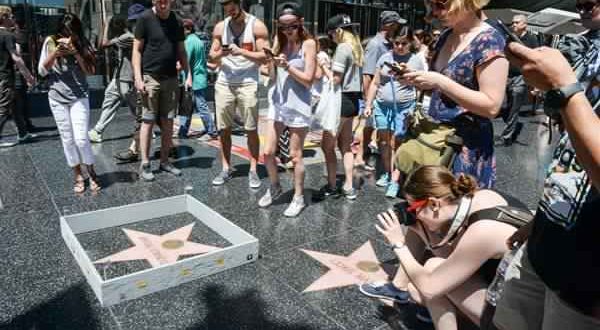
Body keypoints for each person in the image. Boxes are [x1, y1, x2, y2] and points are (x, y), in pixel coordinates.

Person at [492, 12, 600, 330]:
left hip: (586, 284)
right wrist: (541, 218)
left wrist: (563, 88)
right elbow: (571, 157)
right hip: (545, 243)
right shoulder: (592, 44)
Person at [360, 165, 526, 330]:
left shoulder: (483, 231)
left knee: (429, 275)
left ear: (434, 204)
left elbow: (430, 289)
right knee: (424, 278)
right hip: (510, 297)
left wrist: (398, 244)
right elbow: (452, 259)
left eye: (413, 208)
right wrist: (422, 232)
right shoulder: (478, 198)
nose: (413, 214)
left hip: (516, 321)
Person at [404, 0, 509, 189]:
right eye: (431, 6)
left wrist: (440, 81)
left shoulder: (489, 40)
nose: (434, 13)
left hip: (463, 148)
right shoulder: (446, 35)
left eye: (439, 5)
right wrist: (417, 79)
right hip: (435, 140)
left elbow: (492, 106)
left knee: (455, 211)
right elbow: (441, 90)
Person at [258, 2, 316, 217]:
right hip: (278, 102)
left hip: (298, 105)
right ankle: (275, 186)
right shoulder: (279, 41)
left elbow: (309, 80)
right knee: (268, 152)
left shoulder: (308, 44)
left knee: (295, 155)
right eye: (282, 27)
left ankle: (298, 197)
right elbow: (267, 69)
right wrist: (269, 63)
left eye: (291, 26)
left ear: (300, 22)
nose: (287, 30)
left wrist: (288, 66)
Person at [208, 0, 269, 188]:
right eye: (225, 4)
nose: (229, 8)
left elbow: (265, 55)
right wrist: (223, 54)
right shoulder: (220, 27)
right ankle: (226, 168)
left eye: (232, 3)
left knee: (250, 128)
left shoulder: (256, 25)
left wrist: (241, 51)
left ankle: (253, 170)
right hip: (224, 82)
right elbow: (212, 56)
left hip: (248, 83)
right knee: (223, 128)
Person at [38, 13, 100, 193]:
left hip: (79, 95)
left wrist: (76, 53)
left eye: (71, 31)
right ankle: (78, 174)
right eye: (64, 31)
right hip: (57, 97)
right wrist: (55, 53)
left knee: (81, 139)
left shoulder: (82, 42)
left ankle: (91, 171)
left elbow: (90, 71)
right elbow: (42, 71)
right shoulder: (50, 42)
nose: (67, 35)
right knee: (67, 139)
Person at [364, 29, 425, 198]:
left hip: (404, 107)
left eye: (404, 43)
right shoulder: (384, 58)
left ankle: (395, 181)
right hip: (382, 106)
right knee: (384, 142)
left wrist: (407, 73)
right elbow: (375, 83)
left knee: (398, 143)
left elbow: (422, 87)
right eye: (396, 43)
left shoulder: (415, 61)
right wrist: (368, 104)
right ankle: (387, 173)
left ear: (410, 43)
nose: (399, 46)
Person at [133, 0, 188, 181]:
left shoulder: (177, 21)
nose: (163, 3)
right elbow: (137, 50)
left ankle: (165, 161)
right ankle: (145, 163)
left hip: (172, 79)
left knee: (168, 122)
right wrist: (138, 78)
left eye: (166, 0)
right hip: (151, 78)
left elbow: (181, 50)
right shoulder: (145, 18)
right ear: (153, 1)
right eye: (159, 0)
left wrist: (188, 75)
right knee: (147, 121)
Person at [313, 14, 363, 201]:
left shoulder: (343, 47)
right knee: (345, 146)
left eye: (332, 34)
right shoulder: (356, 47)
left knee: (327, 146)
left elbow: (335, 79)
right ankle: (349, 186)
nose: (331, 38)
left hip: (340, 101)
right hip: (352, 101)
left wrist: (324, 65)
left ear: (338, 31)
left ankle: (333, 185)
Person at [356, 11, 406, 171]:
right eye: (397, 24)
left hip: (385, 94)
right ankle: (359, 156)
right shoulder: (375, 44)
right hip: (374, 94)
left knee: (375, 127)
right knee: (368, 125)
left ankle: (365, 152)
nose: (399, 27)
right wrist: (368, 100)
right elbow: (367, 74)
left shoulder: (388, 44)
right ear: (389, 25)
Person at [88, 13, 139, 144]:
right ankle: (97, 131)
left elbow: (103, 44)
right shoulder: (124, 37)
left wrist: (105, 26)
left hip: (126, 78)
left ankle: (146, 130)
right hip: (120, 77)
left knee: (137, 107)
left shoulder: (126, 37)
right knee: (110, 101)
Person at [111, 4, 147, 164]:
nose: (134, 25)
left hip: (153, 80)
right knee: (143, 115)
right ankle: (134, 149)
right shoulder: (135, 37)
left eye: (137, 21)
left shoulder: (139, 36)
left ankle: (135, 150)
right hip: (142, 81)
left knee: (156, 116)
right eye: (132, 22)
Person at [498, 14, 539, 146]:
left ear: (524, 24)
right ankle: (510, 127)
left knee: (515, 106)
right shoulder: (509, 39)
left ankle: (507, 136)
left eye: (517, 23)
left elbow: (535, 61)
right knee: (505, 106)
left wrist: (534, 83)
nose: (513, 25)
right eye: (513, 23)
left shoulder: (532, 39)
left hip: (520, 77)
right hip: (506, 76)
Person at [0, 5, 35, 148]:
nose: (13, 19)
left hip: (4, 77)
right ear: (4, 18)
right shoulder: (8, 36)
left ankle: (23, 133)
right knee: (3, 107)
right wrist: (28, 76)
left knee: (13, 105)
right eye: (10, 16)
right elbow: (16, 57)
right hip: (5, 76)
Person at [175, 18, 215, 140]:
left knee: (200, 105)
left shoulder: (189, 42)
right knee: (188, 106)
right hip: (198, 77)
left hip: (194, 79)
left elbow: (184, 62)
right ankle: (183, 131)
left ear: (188, 29)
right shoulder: (197, 40)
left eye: (181, 30)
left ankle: (211, 131)